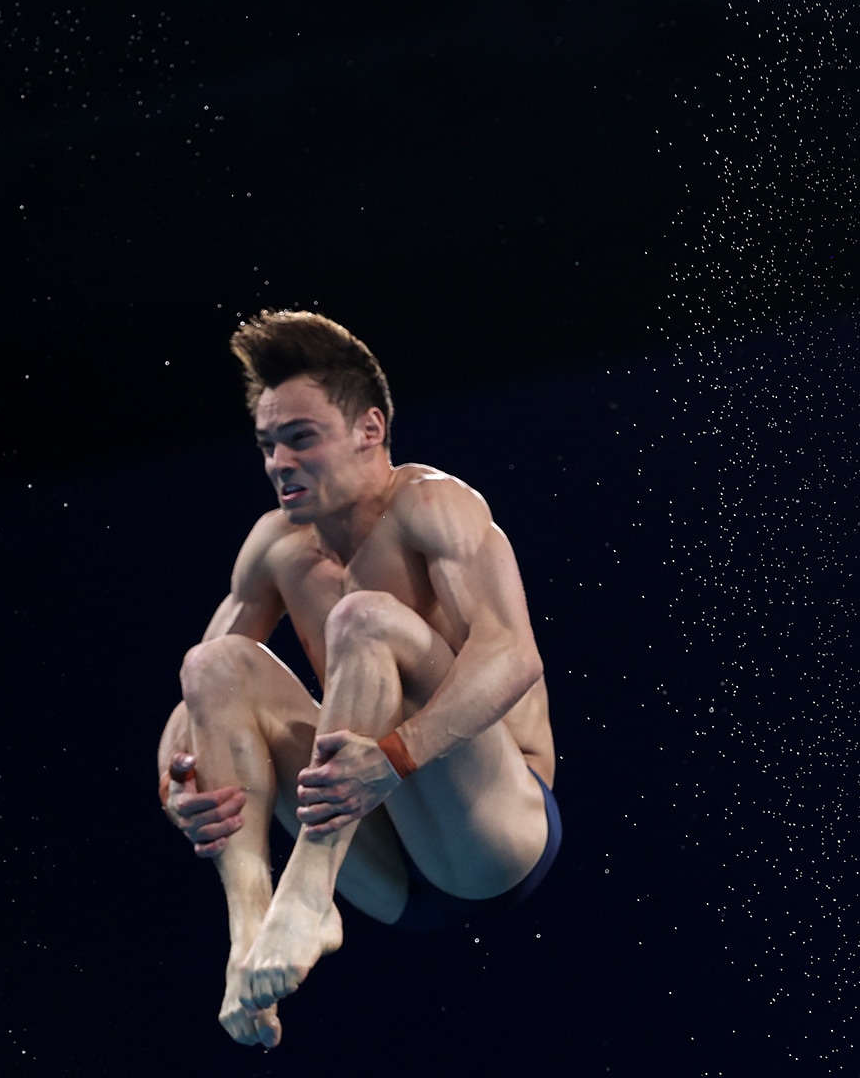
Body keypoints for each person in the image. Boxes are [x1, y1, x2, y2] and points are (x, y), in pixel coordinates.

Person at [156, 311, 561, 1046]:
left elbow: (513, 655)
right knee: (210, 664)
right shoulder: (276, 547)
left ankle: (307, 893)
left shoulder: (435, 505)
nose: (280, 462)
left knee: (363, 619)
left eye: (301, 438)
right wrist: (178, 786)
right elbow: (191, 713)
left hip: (493, 833)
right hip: (383, 862)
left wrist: (397, 756)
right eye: (268, 444)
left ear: (369, 429)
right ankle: (252, 928)